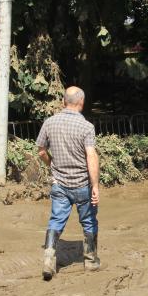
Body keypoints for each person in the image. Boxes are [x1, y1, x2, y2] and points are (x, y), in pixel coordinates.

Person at [36, 86, 101, 280]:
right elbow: (91, 156)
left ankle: (48, 261)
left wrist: (52, 164)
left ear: (63, 102)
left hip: (59, 184)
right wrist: (95, 185)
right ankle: (90, 261)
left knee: (56, 221)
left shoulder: (49, 123)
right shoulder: (87, 127)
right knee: (89, 221)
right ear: (81, 103)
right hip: (82, 185)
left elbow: (41, 151)